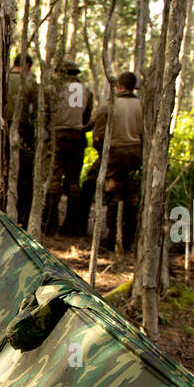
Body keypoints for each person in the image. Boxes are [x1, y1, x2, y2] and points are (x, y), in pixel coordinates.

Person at [80, 71, 143, 251]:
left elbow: (97, 133)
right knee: (131, 197)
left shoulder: (109, 106)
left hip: (115, 154)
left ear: (117, 86)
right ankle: (128, 238)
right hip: (136, 155)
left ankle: (113, 238)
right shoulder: (142, 105)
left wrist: (103, 154)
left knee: (113, 196)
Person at [42, 61, 92, 236]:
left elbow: (46, 114)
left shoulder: (53, 89)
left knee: (53, 180)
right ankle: (71, 226)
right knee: (73, 182)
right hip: (76, 137)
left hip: (57, 136)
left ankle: (50, 224)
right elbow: (87, 117)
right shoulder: (85, 90)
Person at [5, 53, 38, 228]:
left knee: (3, 170)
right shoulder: (30, 82)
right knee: (24, 175)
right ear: (28, 66)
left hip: (1, 131)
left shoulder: (2, 78)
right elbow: (38, 110)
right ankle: (22, 216)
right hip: (23, 131)